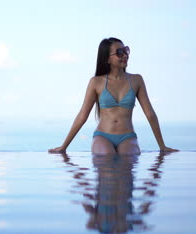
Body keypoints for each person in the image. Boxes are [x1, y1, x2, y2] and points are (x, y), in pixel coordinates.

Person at [48, 37, 178, 155]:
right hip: (103, 136)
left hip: (128, 136)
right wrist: (63, 147)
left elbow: (150, 114)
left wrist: (162, 146)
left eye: (125, 50)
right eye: (119, 52)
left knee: (128, 159)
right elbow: (82, 116)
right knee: (106, 159)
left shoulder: (136, 80)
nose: (125, 55)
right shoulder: (96, 82)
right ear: (107, 59)